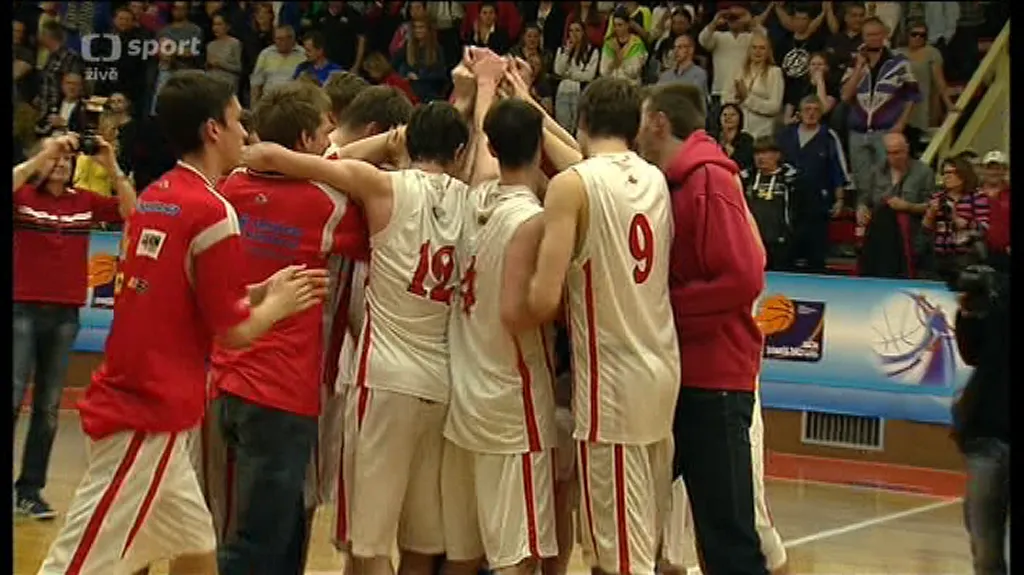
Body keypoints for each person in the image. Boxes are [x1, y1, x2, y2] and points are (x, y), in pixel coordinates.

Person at [36, 70, 327, 575]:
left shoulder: (157, 194)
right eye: (239, 121)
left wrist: (257, 291)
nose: (247, 134)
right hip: (145, 413)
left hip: (150, 401)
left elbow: (183, 292)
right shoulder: (213, 210)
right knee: (76, 563)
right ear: (213, 129)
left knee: (196, 547)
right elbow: (234, 331)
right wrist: (279, 304)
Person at [241, 100, 472, 575]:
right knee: (423, 542)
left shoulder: (382, 184)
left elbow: (290, 160)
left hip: (384, 381)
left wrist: (387, 142)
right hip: (443, 382)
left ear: (406, 141)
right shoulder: (476, 198)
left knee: (367, 544)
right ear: (460, 150)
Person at [209, 80, 370, 575]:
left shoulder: (228, 189)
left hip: (222, 380)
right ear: (303, 143)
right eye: (325, 131)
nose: (331, 141)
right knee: (262, 539)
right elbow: (386, 218)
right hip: (282, 392)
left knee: (240, 524)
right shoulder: (328, 203)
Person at [523, 76, 680, 575]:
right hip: (660, 372)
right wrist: (528, 106)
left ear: (582, 120)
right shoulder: (653, 177)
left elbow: (544, 299)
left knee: (618, 556)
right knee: (642, 541)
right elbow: (587, 170)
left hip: (612, 389)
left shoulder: (574, 187)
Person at [635, 82, 775, 575]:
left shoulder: (710, 180)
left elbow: (744, 275)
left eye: (641, 119)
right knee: (677, 532)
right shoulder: (677, 181)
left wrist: (666, 312)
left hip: (715, 380)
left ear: (658, 122)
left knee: (728, 538)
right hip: (686, 375)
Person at [441, 64, 559, 575]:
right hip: (512, 404)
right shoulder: (534, 219)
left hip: (462, 396)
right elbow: (518, 313)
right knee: (519, 558)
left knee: (464, 556)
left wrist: (487, 87)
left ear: (489, 147)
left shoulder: (474, 197)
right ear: (541, 147)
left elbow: (486, 153)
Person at [12, 132, 136, 520]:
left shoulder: (84, 201)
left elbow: (133, 212)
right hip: (21, 309)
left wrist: (111, 165)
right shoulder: (23, 197)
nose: (62, 161)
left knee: (48, 407)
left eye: (68, 157)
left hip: (65, 315)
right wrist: (40, 157)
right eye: (57, 155)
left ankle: (30, 491)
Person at [951, 266, 1010, 575]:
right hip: (990, 433)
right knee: (986, 548)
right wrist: (969, 312)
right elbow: (973, 353)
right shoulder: (1001, 291)